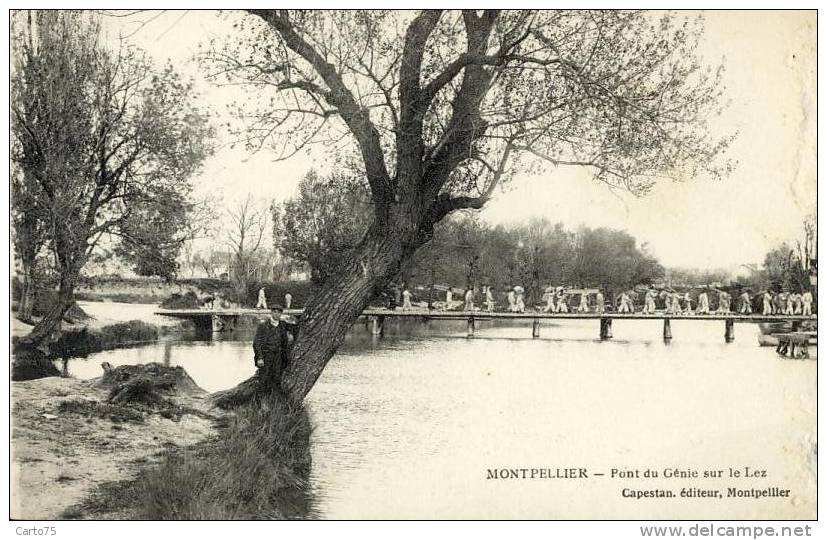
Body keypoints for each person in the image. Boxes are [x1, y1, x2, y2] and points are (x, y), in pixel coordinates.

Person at [253, 306, 297, 395]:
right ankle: (260, 401)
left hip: (278, 356)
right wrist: (260, 358)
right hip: (266, 355)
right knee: (263, 378)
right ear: (271, 313)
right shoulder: (263, 325)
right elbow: (256, 343)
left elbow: (295, 328)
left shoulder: (283, 324)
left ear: (281, 314)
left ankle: (273, 401)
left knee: (277, 378)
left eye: (278, 312)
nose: (276, 314)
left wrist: (292, 334)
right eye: (275, 312)